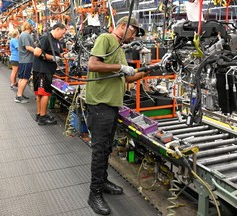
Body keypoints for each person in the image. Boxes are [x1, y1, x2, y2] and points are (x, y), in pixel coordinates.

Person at [85, 16, 146, 215]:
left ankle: (102, 182)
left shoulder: (119, 48)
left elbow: (128, 77)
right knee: (100, 150)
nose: (133, 36)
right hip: (99, 105)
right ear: (123, 26)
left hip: (111, 105)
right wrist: (120, 67)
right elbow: (93, 65)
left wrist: (148, 70)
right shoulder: (106, 38)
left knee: (107, 148)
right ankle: (94, 193)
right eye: (133, 31)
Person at [33, 23, 67, 125]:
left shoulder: (56, 40)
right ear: (57, 29)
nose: (63, 35)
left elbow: (59, 53)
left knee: (41, 93)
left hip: (47, 70)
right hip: (42, 70)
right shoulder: (46, 38)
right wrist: (52, 58)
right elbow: (37, 52)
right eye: (63, 33)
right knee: (44, 93)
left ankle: (40, 114)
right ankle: (43, 117)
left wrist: (66, 55)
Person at [15, 20, 35, 103]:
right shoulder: (26, 35)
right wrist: (37, 51)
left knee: (21, 78)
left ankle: (19, 94)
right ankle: (19, 97)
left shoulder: (24, 35)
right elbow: (28, 47)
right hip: (26, 60)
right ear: (30, 26)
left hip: (24, 60)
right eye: (33, 26)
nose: (34, 28)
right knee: (25, 79)